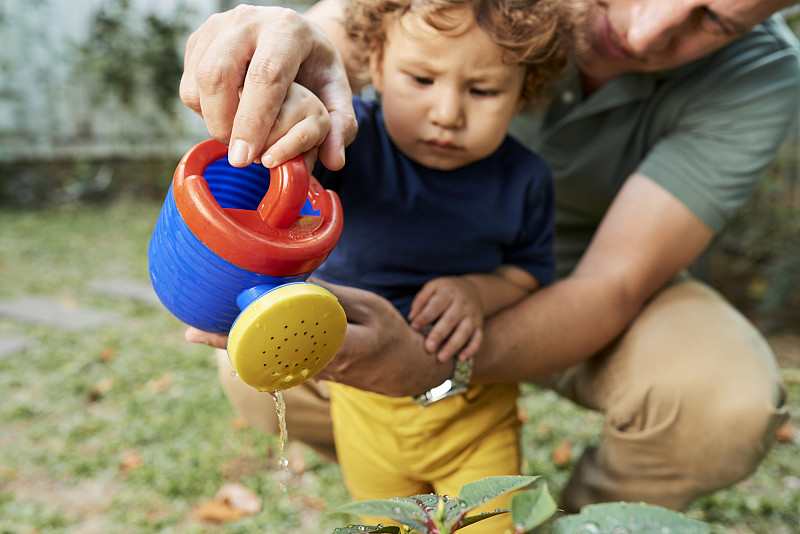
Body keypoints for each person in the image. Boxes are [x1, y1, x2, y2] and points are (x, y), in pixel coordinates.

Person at [180, 0, 800, 514]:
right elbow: (332, 41)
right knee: (252, 368)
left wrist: (442, 353)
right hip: (391, 320)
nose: (646, 32)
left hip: (572, 278)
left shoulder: (759, 77)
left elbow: (610, 282)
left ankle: (573, 525)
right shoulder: (368, 125)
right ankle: (405, 487)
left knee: (723, 404)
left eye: (715, 19)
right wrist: (273, 78)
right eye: (423, 81)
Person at [302, 0, 570, 529]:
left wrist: (476, 291)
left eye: (484, 90)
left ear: (524, 92)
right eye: (421, 78)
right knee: (384, 524)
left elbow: (529, 271)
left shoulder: (523, 180)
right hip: (363, 410)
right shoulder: (346, 143)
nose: (448, 112)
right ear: (374, 63)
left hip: (474, 417)